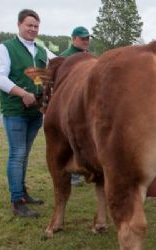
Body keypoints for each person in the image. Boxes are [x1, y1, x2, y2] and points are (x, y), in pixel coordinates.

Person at [0, 9, 47, 218]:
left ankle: (22, 191)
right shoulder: (6, 48)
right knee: (17, 154)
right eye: (29, 25)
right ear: (19, 25)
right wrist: (23, 93)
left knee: (24, 155)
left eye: (36, 26)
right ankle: (17, 200)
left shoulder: (40, 52)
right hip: (15, 111)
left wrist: (42, 91)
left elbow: (41, 78)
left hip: (35, 112)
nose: (33, 29)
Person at [60, 26, 92, 186]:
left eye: (87, 38)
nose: (86, 41)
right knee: (69, 137)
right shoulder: (65, 57)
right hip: (69, 103)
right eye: (82, 38)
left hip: (84, 103)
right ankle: (71, 171)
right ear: (73, 39)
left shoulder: (90, 57)